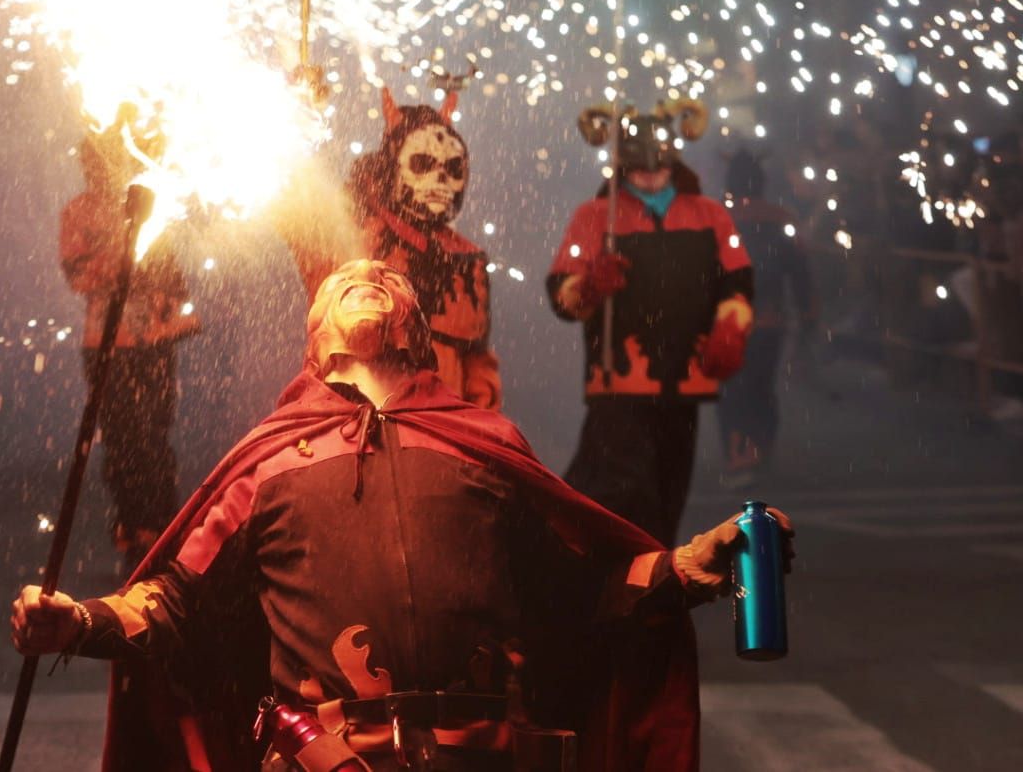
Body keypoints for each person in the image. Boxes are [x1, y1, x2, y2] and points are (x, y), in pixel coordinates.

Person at [11, 260, 793, 771]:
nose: (368, 278)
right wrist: (77, 624)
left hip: (483, 757)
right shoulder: (269, 459)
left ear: (417, 334)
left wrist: (688, 567)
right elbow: (175, 601)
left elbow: (580, 589)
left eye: (386, 281)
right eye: (345, 283)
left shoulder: (484, 444)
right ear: (314, 345)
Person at [547, 101, 754, 546]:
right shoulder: (594, 216)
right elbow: (562, 292)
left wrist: (730, 328)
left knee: (666, 492)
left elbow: (738, 281)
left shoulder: (710, 215)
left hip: (687, 380)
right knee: (618, 492)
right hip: (620, 380)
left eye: (657, 167)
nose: (648, 177)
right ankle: (608, 576)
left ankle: (648, 580)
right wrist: (589, 287)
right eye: (638, 169)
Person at [285, 87, 500, 409]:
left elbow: (477, 363)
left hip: (442, 431)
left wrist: (481, 431)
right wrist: (296, 118)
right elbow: (299, 215)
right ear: (392, 167)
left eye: (453, 168)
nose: (441, 179)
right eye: (423, 163)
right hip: (357, 424)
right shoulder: (355, 235)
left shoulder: (467, 260)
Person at [59, 113, 199, 566]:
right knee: (123, 439)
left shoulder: (147, 205)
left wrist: (167, 306)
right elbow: (77, 275)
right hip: (107, 346)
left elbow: (173, 280)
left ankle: (159, 526)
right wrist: (119, 256)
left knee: (155, 435)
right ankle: (133, 526)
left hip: (152, 345)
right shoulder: (80, 211)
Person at [715, 150, 815, 486]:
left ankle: (740, 455)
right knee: (761, 386)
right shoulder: (782, 218)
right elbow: (800, 273)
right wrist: (807, 314)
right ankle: (762, 448)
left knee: (732, 390)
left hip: (728, 322)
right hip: (770, 321)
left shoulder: (717, 219)